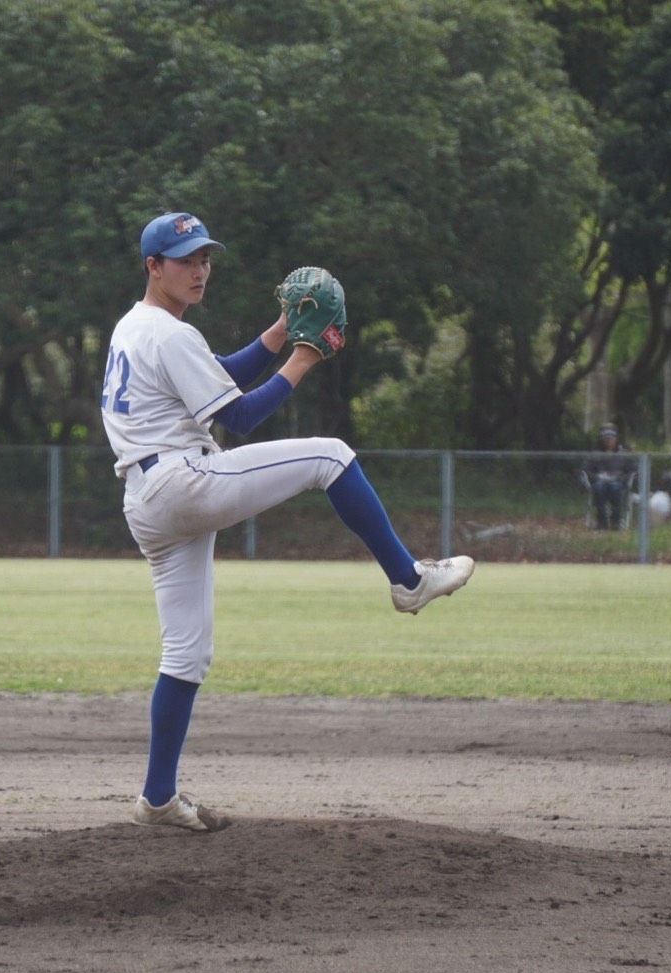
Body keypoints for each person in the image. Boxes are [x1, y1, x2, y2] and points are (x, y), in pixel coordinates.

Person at [101, 212, 475, 833]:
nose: (199, 270)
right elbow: (240, 416)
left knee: (186, 654)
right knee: (331, 456)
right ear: (153, 266)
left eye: (205, 258)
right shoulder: (169, 335)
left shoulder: (136, 327)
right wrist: (304, 356)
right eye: (186, 260)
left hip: (147, 500)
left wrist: (279, 332)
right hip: (181, 482)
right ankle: (409, 580)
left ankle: (157, 799)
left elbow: (219, 378)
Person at [581, 423, 635, 529]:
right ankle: (602, 521)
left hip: (618, 482)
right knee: (599, 487)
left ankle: (616, 521)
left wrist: (621, 478)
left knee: (615, 487)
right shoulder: (595, 454)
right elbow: (586, 470)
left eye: (611, 438)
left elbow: (632, 470)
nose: (608, 441)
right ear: (601, 439)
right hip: (600, 481)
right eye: (605, 438)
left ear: (616, 439)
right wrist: (597, 477)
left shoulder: (624, 453)